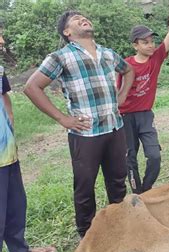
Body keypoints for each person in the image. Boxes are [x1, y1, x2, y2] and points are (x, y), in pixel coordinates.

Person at [24, 11, 134, 238]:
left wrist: (122, 95)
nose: (84, 19)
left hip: (115, 127)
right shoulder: (60, 57)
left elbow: (129, 70)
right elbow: (32, 87)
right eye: (76, 20)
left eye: (85, 17)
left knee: (117, 181)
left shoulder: (107, 53)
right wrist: (62, 119)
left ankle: (121, 225)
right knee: (85, 187)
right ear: (67, 32)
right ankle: (87, 234)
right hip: (86, 134)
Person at [0, 39, 56, 252]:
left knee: (15, 204)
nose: (2, 41)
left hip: (6, 151)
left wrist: (10, 128)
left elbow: (3, 96)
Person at [117, 0, 169, 194]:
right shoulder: (125, 65)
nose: (151, 45)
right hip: (126, 117)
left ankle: (146, 190)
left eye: (152, 41)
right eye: (145, 42)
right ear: (135, 45)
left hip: (145, 116)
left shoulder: (156, 59)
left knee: (154, 156)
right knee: (130, 157)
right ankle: (136, 193)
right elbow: (117, 93)